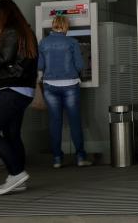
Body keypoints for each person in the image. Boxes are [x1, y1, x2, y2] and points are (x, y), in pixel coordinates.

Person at [0, 0, 38, 195]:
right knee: (11, 135)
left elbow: (4, 58)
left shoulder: (11, 31)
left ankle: (17, 173)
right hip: (23, 91)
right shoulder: (26, 31)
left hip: (10, 90)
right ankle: (16, 179)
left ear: (2, 13)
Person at [38, 16, 92, 168]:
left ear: (53, 26)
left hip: (50, 85)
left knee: (55, 122)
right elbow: (81, 65)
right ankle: (80, 157)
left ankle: (57, 159)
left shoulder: (43, 42)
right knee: (74, 121)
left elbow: (40, 65)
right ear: (66, 26)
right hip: (70, 85)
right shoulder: (72, 42)